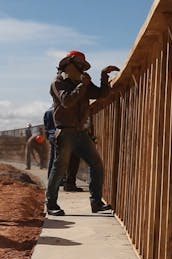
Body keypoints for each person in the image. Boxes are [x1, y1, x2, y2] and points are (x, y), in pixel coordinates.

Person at [46, 50, 119, 215]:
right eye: (78, 64)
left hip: (81, 133)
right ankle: (51, 204)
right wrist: (82, 85)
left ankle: (96, 203)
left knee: (97, 165)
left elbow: (101, 94)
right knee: (59, 169)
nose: (81, 68)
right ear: (68, 63)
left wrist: (103, 76)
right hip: (65, 132)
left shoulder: (82, 81)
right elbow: (66, 101)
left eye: (82, 65)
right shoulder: (58, 82)